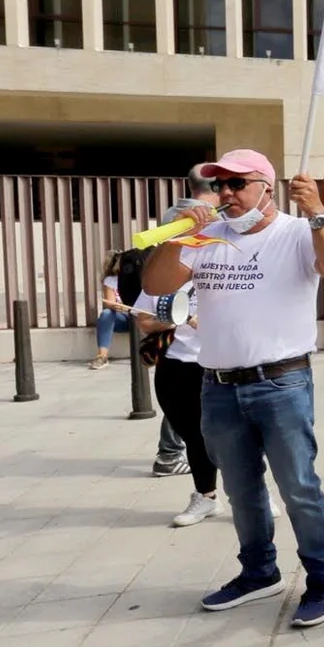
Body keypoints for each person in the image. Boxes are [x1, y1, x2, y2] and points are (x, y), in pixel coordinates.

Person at [140, 149, 324, 628]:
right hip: (218, 384)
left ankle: (323, 579)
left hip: (281, 382)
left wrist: (318, 211)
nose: (227, 194)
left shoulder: (297, 232)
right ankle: (258, 571)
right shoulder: (206, 235)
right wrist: (181, 238)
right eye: (220, 185)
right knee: (240, 487)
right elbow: (156, 284)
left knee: (298, 486)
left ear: (266, 189)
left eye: (238, 183)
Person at [132, 211, 218, 527]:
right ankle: (205, 496)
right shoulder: (168, 266)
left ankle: (256, 491)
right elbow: (143, 318)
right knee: (193, 434)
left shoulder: (227, 260)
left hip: (223, 363)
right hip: (178, 363)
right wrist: (174, 321)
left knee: (239, 435)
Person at [151, 170, 221, 477]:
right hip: (184, 341)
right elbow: (160, 289)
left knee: (201, 420)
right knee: (193, 416)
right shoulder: (188, 217)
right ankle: (170, 454)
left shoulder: (178, 212)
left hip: (206, 346)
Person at [91, 252, 133, 369]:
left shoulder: (137, 278)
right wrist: (115, 306)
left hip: (139, 317)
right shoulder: (110, 280)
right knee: (106, 314)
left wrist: (128, 308)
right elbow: (110, 301)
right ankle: (102, 356)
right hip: (123, 318)